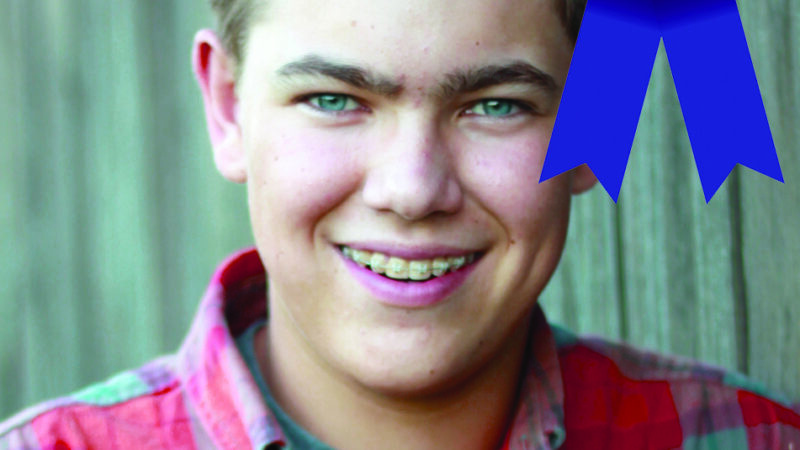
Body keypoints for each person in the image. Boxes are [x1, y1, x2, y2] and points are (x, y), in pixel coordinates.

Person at [1, 0, 798, 448]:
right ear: (226, 106)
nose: (412, 190)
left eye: (495, 105)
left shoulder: (749, 440)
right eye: (333, 99)